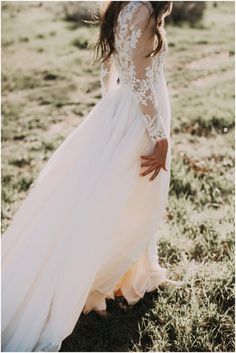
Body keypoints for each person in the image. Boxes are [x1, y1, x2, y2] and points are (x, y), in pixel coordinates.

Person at [1, 1, 180, 351]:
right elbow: (142, 79)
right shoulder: (143, 9)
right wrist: (160, 137)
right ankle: (96, 283)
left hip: (122, 110)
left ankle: (126, 274)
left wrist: (112, 103)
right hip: (140, 119)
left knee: (114, 195)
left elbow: (110, 64)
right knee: (132, 200)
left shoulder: (122, 5)